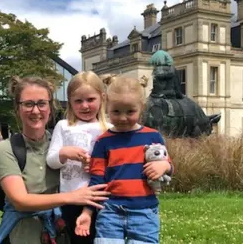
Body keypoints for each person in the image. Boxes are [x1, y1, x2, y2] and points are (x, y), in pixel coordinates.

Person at [0, 76, 110, 244]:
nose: (35, 111)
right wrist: (72, 197)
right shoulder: (7, 148)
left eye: (41, 103)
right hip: (24, 235)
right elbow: (20, 201)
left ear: (50, 107)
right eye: (28, 104)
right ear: (17, 109)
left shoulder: (62, 141)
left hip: (61, 231)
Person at [75, 75, 174, 244]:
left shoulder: (152, 136)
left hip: (145, 210)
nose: (122, 118)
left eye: (130, 112)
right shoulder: (103, 141)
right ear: (107, 107)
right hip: (111, 211)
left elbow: (168, 164)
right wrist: (87, 212)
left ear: (141, 108)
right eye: (116, 112)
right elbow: (97, 181)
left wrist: (164, 166)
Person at [46, 71, 113, 244]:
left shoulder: (109, 128)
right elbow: (51, 161)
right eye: (78, 101)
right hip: (70, 198)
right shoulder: (64, 126)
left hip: (101, 200)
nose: (84, 106)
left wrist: (98, 166)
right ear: (70, 102)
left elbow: (118, 163)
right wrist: (63, 153)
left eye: (90, 100)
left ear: (102, 98)